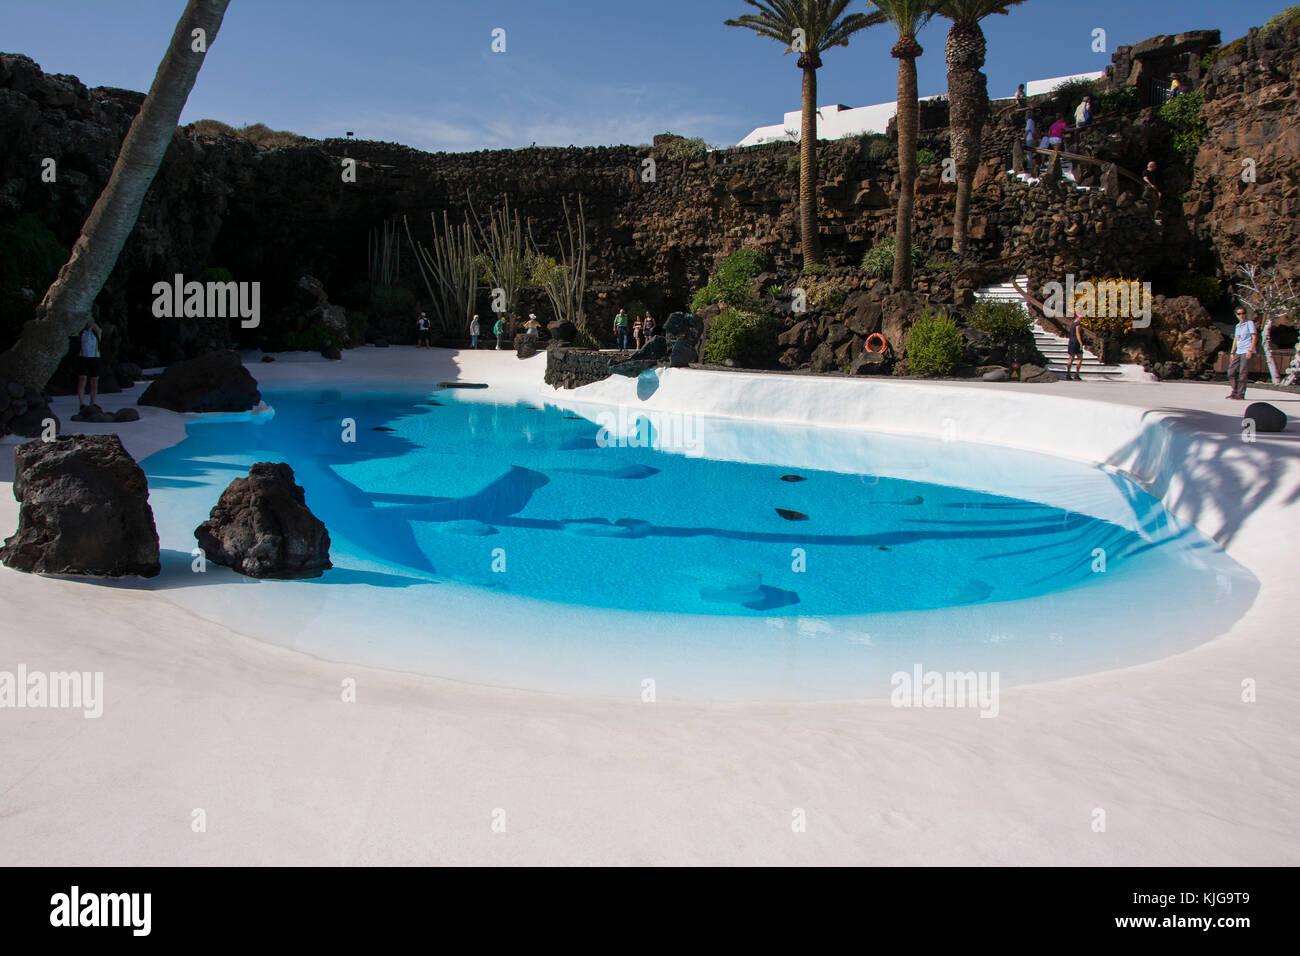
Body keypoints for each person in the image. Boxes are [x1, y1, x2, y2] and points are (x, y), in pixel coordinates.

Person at [1227, 306, 1257, 400]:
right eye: (1239, 314)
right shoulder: (1238, 326)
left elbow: (1254, 337)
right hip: (1239, 351)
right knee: (1231, 371)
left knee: (1243, 373)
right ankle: (1235, 390)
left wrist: (1250, 350)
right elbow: (1236, 339)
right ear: (1236, 315)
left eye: (1243, 313)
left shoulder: (1250, 323)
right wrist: (1232, 352)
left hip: (1247, 350)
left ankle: (1240, 394)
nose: (1241, 315)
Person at [76, 319, 103, 412]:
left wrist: (91, 321)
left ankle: (92, 402)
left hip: (95, 358)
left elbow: (98, 329)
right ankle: (81, 403)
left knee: (94, 381)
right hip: (83, 358)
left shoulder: (97, 332)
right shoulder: (82, 331)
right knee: (82, 379)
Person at [1065, 313, 1085, 381]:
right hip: (1076, 342)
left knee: (1071, 358)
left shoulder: (1073, 324)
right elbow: (1078, 334)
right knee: (1080, 358)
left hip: (1071, 341)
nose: (1081, 319)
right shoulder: (1078, 325)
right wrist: (1081, 343)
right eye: (1080, 317)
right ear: (1077, 317)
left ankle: (1068, 374)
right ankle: (1076, 374)